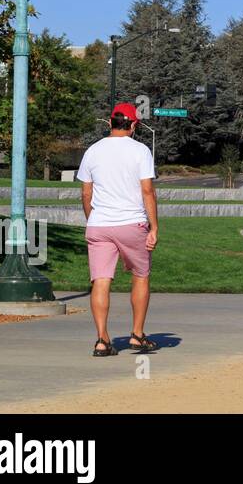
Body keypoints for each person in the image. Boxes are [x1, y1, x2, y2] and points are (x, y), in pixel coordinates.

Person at [77, 102, 160, 357]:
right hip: (130, 222)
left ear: (110, 122)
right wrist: (154, 226)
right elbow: (147, 190)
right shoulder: (141, 151)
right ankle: (137, 334)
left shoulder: (93, 150)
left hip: (99, 224)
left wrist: (93, 218)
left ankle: (102, 340)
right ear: (134, 125)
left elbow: (86, 191)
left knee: (101, 280)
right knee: (140, 274)